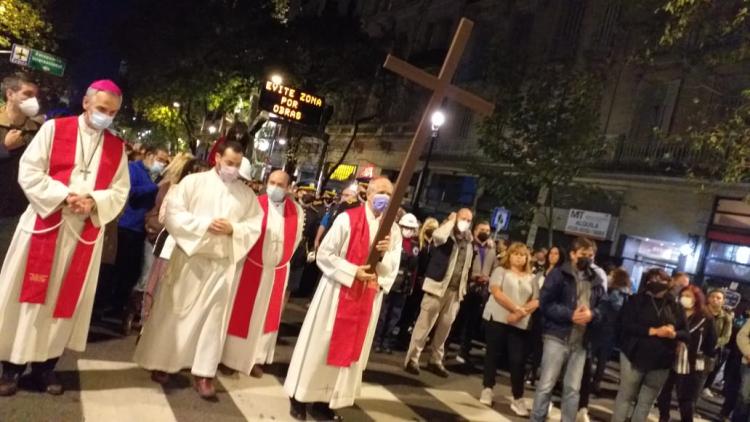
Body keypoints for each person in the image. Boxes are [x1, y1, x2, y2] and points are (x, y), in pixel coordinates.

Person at [0, 80, 130, 396]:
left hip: (80, 237)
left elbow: (119, 190)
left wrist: (94, 201)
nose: (106, 116)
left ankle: (45, 369)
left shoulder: (116, 147)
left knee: (63, 302)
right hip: (45, 227)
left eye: (112, 112)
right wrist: (64, 195)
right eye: (101, 109)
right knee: (28, 298)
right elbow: (29, 172)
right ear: (86, 103)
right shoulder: (54, 130)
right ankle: (11, 369)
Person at [133, 141, 262, 400]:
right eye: (229, 163)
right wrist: (204, 225)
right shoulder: (193, 184)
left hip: (221, 264)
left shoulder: (246, 195)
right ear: (217, 159)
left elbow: (254, 225)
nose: (233, 169)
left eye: (237, 165)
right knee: (175, 313)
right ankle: (164, 362)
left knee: (212, 321)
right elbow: (173, 215)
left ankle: (204, 373)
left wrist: (233, 229)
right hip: (191, 259)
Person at [284, 177, 401, 421]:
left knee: (347, 357)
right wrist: (352, 271)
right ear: (367, 194)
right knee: (319, 347)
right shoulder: (348, 218)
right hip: (337, 293)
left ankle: (325, 403)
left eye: (389, 193)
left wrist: (386, 252)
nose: (384, 197)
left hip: (366, 297)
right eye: (380, 191)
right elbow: (324, 254)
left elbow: (391, 269)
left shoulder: (394, 230)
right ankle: (299, 396)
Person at [222, 170, 303, 378]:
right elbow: (243, 231)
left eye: (280, 184)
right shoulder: (255, 204)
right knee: (242, 314)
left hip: (276, 272)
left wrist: (279, 261)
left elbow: (294, 241)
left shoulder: (297, 211)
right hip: (251, 267)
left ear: (288, 188)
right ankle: (231, 358)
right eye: (272, 182)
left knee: (268, 318)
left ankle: (257, 358)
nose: (275, 187)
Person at [530, 237, 606, 422]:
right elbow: (546, 304)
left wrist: (592, 314)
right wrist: (569, 314)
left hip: (581, 340)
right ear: (572, 254)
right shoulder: (558, 274)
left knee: (572, 389)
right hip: (557, 335)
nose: (587, 258)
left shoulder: (595, 278)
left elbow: (603, 307)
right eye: (583, 254)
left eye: (591, 255)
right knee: (546, 384)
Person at [611, 268, 689, 422]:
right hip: (633, 355)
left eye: (661, 280)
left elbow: (685, 333)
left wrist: (674, 333)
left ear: (668, 282)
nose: (656, 284)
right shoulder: (635, 300)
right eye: (652, 280)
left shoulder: (675, 306)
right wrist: (653, 331)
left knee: (645, 403)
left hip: (661, 361)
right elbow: (625, 325)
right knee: (626, 397)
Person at [404, 209, 474, 377]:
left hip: (454, 292)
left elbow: (466, 268)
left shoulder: (468, 242)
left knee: (444, 328)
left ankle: (436, 360)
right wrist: (450, 221)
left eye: (469, 220)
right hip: (437, 287)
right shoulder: (445, 234)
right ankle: (412, 359)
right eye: (463, 218)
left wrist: (462, 291)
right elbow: (438, 237)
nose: (465, 222)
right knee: (424, 325)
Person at [140, 158, 209, 322]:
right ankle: (148, 321)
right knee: (157, 285)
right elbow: (166, 216)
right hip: (169, 244)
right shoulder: (175, 189)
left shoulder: (207, 198)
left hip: (191, 249)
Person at [110, 146, 169, 326]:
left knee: (132, 272)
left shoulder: (156, 176)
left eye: (165, 161)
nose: (162, 164)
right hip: (127, 226)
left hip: (142, 230)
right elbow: (130, 191)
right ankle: (108, 306)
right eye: (160, 159)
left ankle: (119, 306)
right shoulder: (134, 169)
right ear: (149, 155)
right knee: (118, 269)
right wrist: (154, 187)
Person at [480, 242, 539, 415]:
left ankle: (517, 397)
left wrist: (520, 313)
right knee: (493, 353)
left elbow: (536, 299)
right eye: (516, 254)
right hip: (498, 317)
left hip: (519, 323)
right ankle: (487, 388)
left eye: (523, 255)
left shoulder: (532, 277)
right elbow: (496, 292)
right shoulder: (500, 271)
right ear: (509, 255)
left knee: (517, 360)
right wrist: (515, 308)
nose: (519, 257)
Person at [657, 284, 717, 422]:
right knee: (663, 393)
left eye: (689, 296)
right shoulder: (674, 312)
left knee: (685, 399)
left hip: (691, 362)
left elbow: (711, 341)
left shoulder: (705, 317)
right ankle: (663, 417)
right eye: (683, 295)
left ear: (696, 298)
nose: (685, 299)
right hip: (670, 357)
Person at [0, 73, 43, 262]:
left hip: (16, 212)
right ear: (10, 94)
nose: (33, 100)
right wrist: (4, 148)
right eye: (27, 94)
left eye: (35, 95)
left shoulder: (38, 130)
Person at [374, 213, 420, 354]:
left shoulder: (415, 245)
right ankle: (377, 341)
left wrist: (411, 285)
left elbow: (415, 268)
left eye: (411, 228)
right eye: (405, 227)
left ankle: (386, 341)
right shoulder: (394, 240)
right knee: (383, 313)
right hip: (389, 280)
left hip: (403, 284)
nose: (408, 230)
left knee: (395, 315)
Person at [456, 220, 496, 365]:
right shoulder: (469, 244)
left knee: (471, 323)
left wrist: (488, 278)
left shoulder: (492, 249)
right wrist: (473, 277)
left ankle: (464, 350)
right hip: (467, 286)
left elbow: (494, 267)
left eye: (487, 229)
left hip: (481, 291)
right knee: (457, 319)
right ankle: (445, 347)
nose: (485, 232)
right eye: (482, 229)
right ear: (475, 230)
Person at [396, 217, 439, 349]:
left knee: (416, 311)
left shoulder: (434, 245)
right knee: (407, 310)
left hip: (425, 283)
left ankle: (405, 337)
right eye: (430, 227)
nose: (432, 230)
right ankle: (400, 336)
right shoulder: (418, 243)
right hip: (415, 281)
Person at [526, 246, 565, 385]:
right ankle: (532, 370)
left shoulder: (560, 274)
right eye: (551, 253)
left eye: (556, 253)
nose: (553, 256)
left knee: (544, 345)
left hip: (548, 313)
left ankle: (540, 374)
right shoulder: (541, 272)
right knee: (534, 342)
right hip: (536, 311)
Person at [703, 289, 734, 397]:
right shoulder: (701, 311)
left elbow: (726, 336)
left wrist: (714, 343)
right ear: (708, 298)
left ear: (723, 301)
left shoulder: (726, 317)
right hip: (696, 346)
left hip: (711, 350)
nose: (715, 300)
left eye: (718, 298)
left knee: (703, 376)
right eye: (712, 296)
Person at [315, 184, 358, 250]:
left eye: (346, 195)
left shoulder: (356, 211)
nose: (343, 197)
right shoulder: (334, 207)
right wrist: (317, 240)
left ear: (354, 198)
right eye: (342, 195)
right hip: (326, 240)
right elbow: (324, 223)